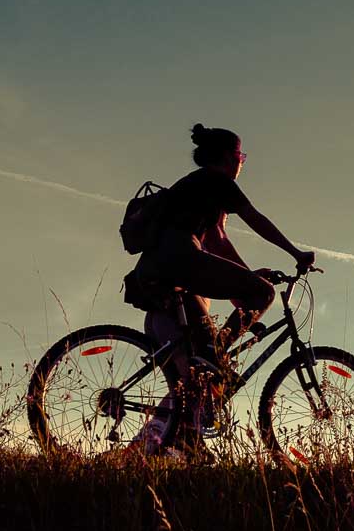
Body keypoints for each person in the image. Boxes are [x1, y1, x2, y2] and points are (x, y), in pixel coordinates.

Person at [129, 124, 315, 451]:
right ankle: (218, 356)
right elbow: (255, 218)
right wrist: (295, 253)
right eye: (241, 156)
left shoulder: (198, 189)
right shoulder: (218, 181)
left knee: (195, 380)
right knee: (264, 296)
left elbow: (217, 241)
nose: (242, 162)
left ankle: (166, 443)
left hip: (158, 270)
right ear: (230, 158)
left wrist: (246, 276)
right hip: (180, 260)